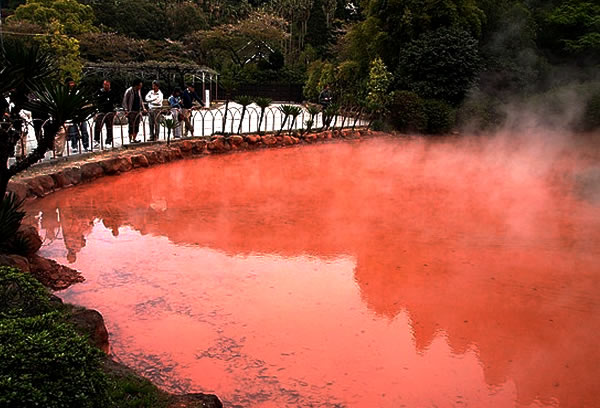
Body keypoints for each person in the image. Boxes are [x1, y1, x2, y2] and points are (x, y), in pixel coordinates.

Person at [65, 78, 90, 153]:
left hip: (81, 115)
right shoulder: (66, 95)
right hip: (71, 115)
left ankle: (86, 145)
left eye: (73, 83)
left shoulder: (78, 93)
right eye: (70, 83)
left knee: (84, 130)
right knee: (73, 132)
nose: (72, 85)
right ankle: (74, 146)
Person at [94, 79, 118, 147]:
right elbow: (96, 102)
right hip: (101, 112)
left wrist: (114, 111)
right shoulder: (99, 92)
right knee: (98, 127)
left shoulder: (112, 93)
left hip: (109, 112)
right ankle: (96, 140)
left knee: (109, 127)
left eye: (107, 85)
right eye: (105, 85)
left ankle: (109, 141)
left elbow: (115, 102)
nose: (106, 86)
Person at [122, 78, 146, 143]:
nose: (140, 87)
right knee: (131, 125)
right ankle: (130, 138)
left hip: (137, 110)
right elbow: (125, 101)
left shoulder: (139, 91)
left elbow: (141, 100)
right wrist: (126, 110)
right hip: (131, 111)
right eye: (140, 85)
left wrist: (143, 108)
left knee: (136, 125)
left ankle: (134, 138)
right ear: (136, 85)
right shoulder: (129, 91)